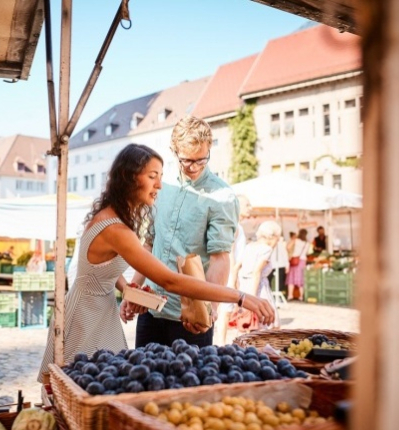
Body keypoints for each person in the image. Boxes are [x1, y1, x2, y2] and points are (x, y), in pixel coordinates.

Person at [37, 144, 273, 377]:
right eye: (152, 177)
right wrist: (240, 297)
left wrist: (127, 288)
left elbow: (100, 269)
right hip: (87, 318)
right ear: (128, 177)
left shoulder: (111, 217)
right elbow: (170, 281)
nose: (159, 185)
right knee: (87, 391)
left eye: (160, 176)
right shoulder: (116, 229)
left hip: (97, 311)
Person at [121, 116, 240, 348]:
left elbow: (219, 258)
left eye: (201, 160)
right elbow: (149, 244)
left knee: (188, 383)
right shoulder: (162, 186)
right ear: (174, 151)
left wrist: (211, 310)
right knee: (144, 380)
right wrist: (132, 291)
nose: (194, 167)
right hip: (151, 309)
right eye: (187, 161)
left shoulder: (222, 196)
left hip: (191, 317)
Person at [231, 221, 282, 333]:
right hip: (258, 287)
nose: (277, 242)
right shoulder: (266, 249)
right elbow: (256, 272)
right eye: (277, 239)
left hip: (243, 286)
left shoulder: (249, 246)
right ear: (272, 237)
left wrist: (235, 286)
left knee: (249, 325)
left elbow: (237, 267)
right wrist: (253, 297)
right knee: (266, 323)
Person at [215, 194, 251, 345]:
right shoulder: (234, 226)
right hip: (229, 273)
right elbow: (229, 254)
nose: (251, 208)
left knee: (225, 310)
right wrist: (234, 278)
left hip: (230, 272)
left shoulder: (236, 226)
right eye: (247, 205)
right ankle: (221, 343)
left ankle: (220, 341)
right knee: (225, 310)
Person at [286, 229, 310, 301]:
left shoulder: (296, 240)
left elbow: (288, 247)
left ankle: (290, 295)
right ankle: (301, 296)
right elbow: (308, 252)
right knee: (301, 278)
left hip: (295, 260)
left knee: (291, 278)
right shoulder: (307, 243)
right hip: (303, 261)